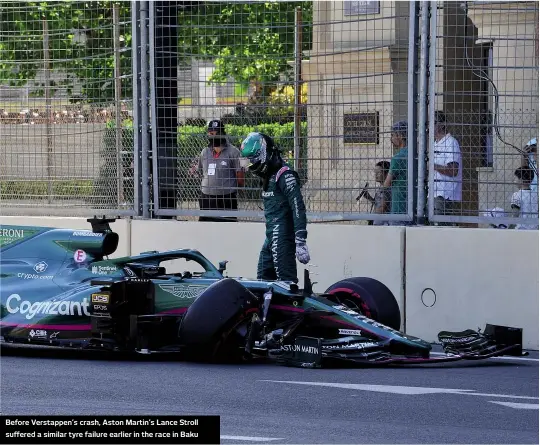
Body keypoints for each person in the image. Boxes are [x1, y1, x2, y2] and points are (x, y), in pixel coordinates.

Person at [239, 132, 310, 283]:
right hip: (271, 235)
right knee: (263, 278)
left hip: (282, 235)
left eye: (253, 160)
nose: (251, 165)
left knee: (285, 282)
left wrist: (301, 240)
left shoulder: (285, 175)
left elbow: (298, 207)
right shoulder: (268, 175)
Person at [190, 119, 244, 222]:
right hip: (206, 198)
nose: (214, 136)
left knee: (227, 229)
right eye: (211, 133)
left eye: (217, 133)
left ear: (223, 133)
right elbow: (202, 172)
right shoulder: (204, 152)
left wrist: (237, 190)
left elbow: (240, 178)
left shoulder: (234, 152)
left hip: (226, 199)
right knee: (205, 229)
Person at [432, 111, 462, 224]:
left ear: (442, 124)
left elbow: (453, 170)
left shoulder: (451, 142)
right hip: (434, 194)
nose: (430, 125)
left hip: (445, 196)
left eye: (433, 122)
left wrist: (433, 166)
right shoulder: (434, 143)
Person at [381, 120, 410, 225]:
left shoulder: (397, 158)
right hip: (413, 208)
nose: (391, 139)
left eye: (393, 135)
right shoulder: (415, 154)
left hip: (399, 208)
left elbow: (386, 184)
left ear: (400, 136)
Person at [357, 160, 391, 225]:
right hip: (378, 223)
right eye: (375, 172)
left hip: (382, 225)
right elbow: (379, 203)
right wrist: (369, 198)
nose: (376, 175)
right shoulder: (381, 188)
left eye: (378, 172)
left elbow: (382, 208)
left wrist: (370, 216)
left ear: (387, 174)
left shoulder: (386, 189)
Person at [509, 166, 539, 230]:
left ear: (521, 180)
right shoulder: (536, 195)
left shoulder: (517, 195)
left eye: (515, 178)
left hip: (521, 229)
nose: (514, 180)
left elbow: (515, 214)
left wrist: (509, 228)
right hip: (535, 229)